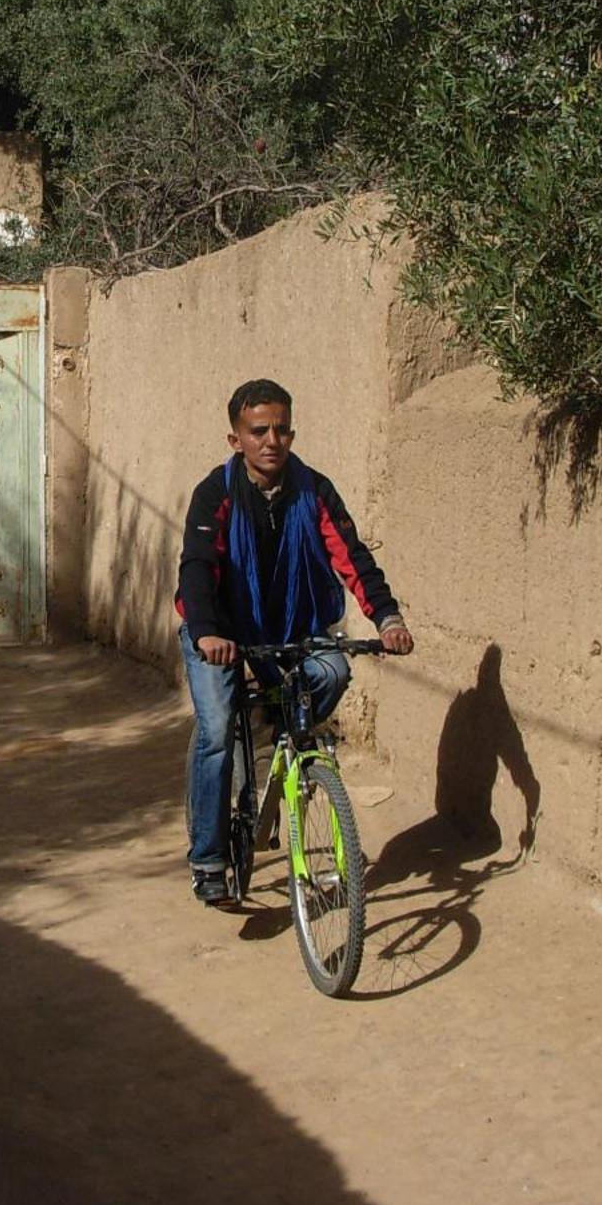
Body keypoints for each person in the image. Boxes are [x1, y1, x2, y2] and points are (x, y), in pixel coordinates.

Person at [175, 379, 412, 904]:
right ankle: (209, 858)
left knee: (334, 672)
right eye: (258, 430)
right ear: (236, 439)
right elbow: (197, 567)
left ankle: (282, 742)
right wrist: (209, 631)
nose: (272, 440)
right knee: (216, 732)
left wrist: (387, 618)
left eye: (282, 429)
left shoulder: (314, 490)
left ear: (293, 432)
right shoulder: (214, 493)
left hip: (294, 629)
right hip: (220, 631)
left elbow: (352, 557)